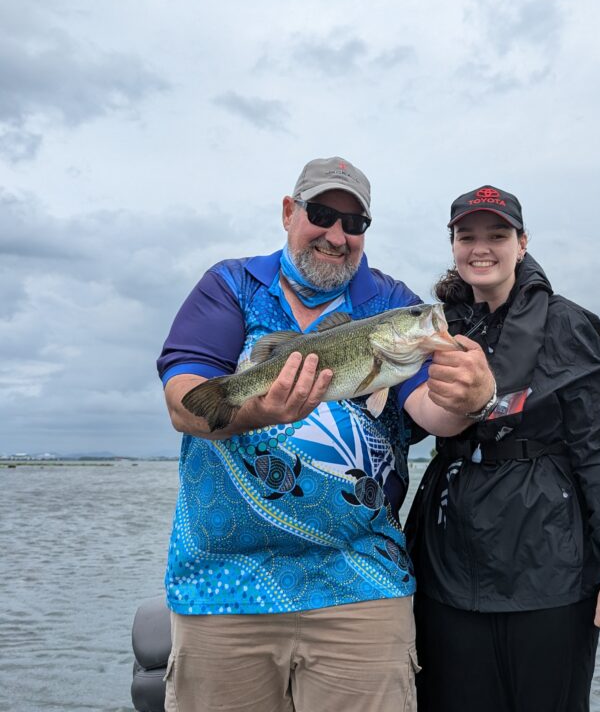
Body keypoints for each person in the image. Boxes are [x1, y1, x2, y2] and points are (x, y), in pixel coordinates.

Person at [156, 157, 495, 712]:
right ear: (289, 213)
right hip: (223, 581)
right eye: (321, 214)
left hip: (361, 579)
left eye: (355, 223)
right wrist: (258, 410)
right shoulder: (230, 284)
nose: (337, 235)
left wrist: (471, 399)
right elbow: (185, 402)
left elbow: (433, 412)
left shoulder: (388, 301)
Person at [405, 185, 600, 712]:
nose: (481, 247)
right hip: (448, 566)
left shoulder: (569, 323)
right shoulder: (437, 326)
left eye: (497, 234)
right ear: (453, 245)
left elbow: (599, 449)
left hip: (547, 569)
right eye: (467, 236)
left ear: (522, 241)